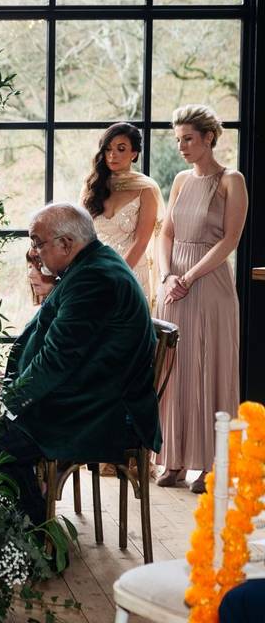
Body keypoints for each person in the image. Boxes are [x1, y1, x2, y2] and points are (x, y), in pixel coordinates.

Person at [0, 203, 159, 527]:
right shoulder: (92, 265)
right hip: (89, 394)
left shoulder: (94, 279)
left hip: (101, 411)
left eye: (38, 242)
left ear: (66, 244)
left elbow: (57, 359)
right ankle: (25, 526)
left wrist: (10, 403)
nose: (35, 252)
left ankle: (34, 534)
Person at [154, 104, 247, 494]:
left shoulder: (231, 180)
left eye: (188, 138)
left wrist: (189, 277)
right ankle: (172, 460)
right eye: (177, 140)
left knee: (209, 370)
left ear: (209, 138)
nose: (181, 146)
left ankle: (210, 465)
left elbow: (230, 240)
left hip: (209, 285)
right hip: (174, 284)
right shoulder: (179, 181)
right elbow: (166, 234)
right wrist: (166, 276)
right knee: (173, 372)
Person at [81, 123, 164, 310]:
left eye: (121, 149)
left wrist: (116, 273)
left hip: (130, 270)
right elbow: (81, 233)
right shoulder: (92, 186)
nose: (113, 154)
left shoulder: (146, 189)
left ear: (134, 154)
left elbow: (142, 241)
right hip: (96, 270)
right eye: (108, 149)